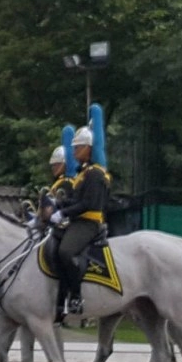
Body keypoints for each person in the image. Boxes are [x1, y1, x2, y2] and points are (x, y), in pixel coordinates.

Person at [50, 126, 110, 315]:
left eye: (78, 148)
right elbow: (76, 201)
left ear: (88, 148)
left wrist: (63, 213)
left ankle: (75, 295)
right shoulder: (84, 173)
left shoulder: (95, 173)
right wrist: (59, 204)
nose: (75, 152)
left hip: (88, 223)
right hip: (77, 221)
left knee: (66, 251)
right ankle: (59, 297)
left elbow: (88, 204)